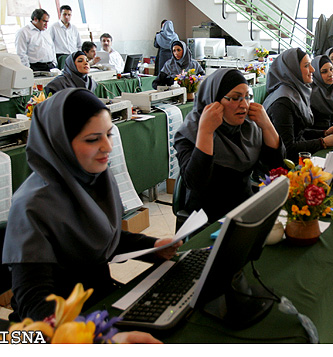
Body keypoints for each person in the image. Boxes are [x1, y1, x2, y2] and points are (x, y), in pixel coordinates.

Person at [2, 88, 182, 321]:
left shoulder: (94, 179)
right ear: (59, 143)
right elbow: (34, 304)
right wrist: (97, 335)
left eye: (108, 134)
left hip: (99, 301)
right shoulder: (32, 206)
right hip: (62, 323)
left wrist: (154, 247)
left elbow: (101, 239)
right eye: (92, 139)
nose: (107, 147)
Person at [174, 68, 285, 223]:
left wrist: (267, 126)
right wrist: (206, 132)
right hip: (207, 217)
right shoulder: (191, 132)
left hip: (246, 209)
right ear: (214, 101)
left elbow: (276, 168)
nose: (244, 105)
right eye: (235, 98)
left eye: (247, 97)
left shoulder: (249, 127)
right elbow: (195, 182)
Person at [262, 48, 333, 162]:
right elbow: (287, 147)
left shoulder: (294, 92)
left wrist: (324, 133)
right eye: (306, 66)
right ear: (293, 69)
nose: (313, 69)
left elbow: (298, 131)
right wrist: (322, 143)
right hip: (282, 167)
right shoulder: (283, 102)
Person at [310, 55, 333, 130]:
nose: (330, 74)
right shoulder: (311, 93)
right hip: (317, 136)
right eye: (324, 72)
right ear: (316, 74)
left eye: (331, 69)